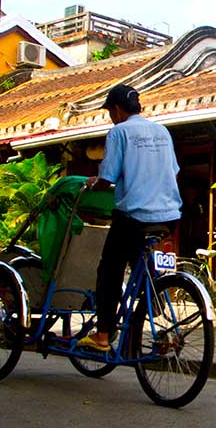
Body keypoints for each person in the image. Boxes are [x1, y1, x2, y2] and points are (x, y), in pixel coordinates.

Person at [78, 84, 182, 351]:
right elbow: (174, 170)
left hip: (133, 216)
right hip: (168, 214)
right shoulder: (162, 131)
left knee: (110, 270)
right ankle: (153, 317)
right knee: (142, 268)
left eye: (110, 112)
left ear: (116, 110)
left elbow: (108, 177)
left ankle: (103, 334)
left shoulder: (119, 132)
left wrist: (93, 182)